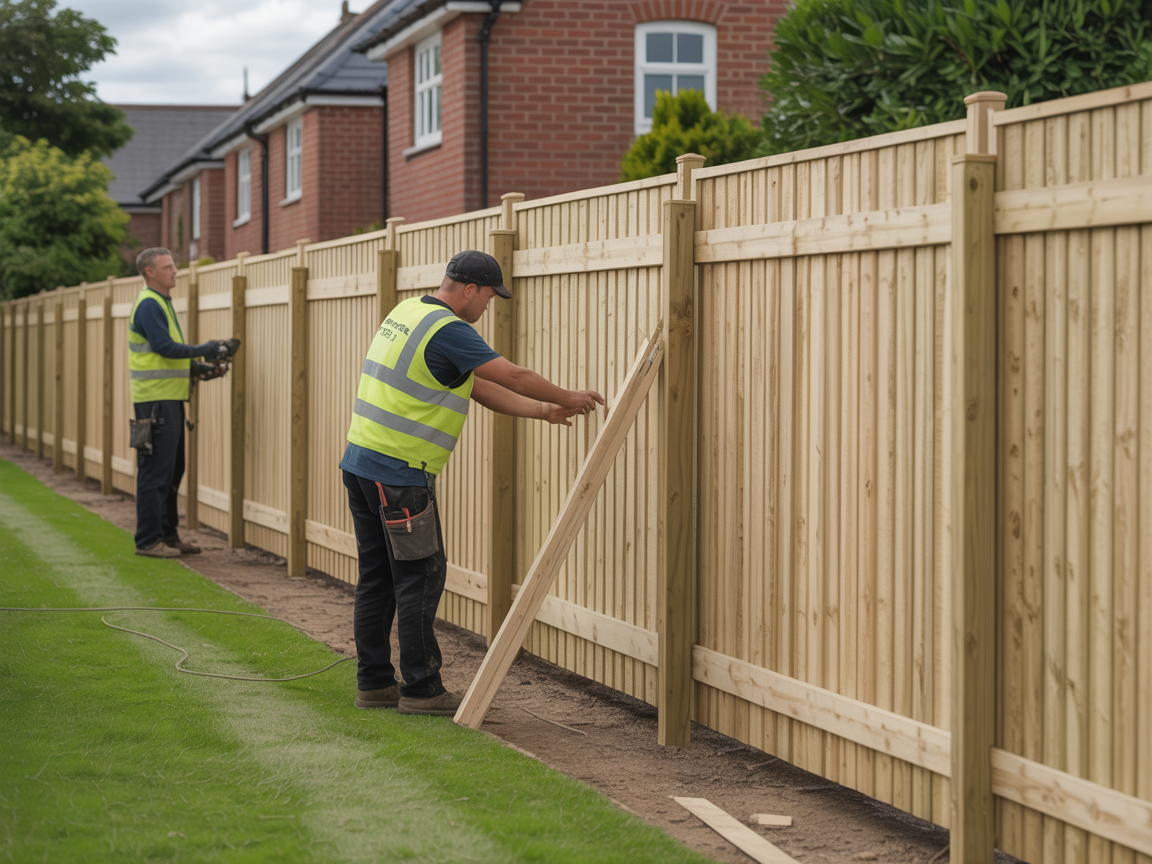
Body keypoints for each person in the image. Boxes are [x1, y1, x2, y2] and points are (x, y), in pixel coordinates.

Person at [342, 250, 604, 716]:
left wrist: (545, 412)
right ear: (469, 290)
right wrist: (568, 396)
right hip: (399, 474)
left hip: (362, 463)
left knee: (378, 575)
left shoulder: (408, 312)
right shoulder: (449, 330)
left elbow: (475, 387)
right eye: (488, 297)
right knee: (421, 575)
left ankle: (375, 683)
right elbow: (515, 376)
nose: (488, 306)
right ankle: (421, 691)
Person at [129, 247, 234, 559]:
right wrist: (208, 348)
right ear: (150, 272)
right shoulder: (149, 304)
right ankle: (148, 541)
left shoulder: (161, 302)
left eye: (174, 265)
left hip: (168, 398)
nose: (175, 271)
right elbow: (164, 348)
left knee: (174, 470)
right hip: (155, 401)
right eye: (168, 267)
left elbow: (167, 354)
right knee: (155, 472)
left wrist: (201, 368)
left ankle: (168, 535)